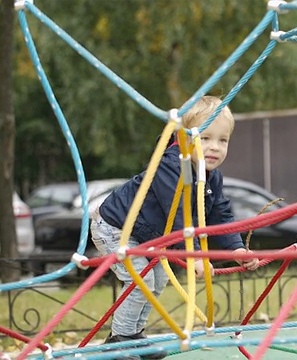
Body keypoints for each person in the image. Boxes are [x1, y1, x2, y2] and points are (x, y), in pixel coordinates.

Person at [90, 95, 259, 360]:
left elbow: (221, 214)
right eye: (205, 138)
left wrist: (236, 248)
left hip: (150, 236)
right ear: (184, 138)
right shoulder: (169, 166)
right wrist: (192, 257)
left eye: (222, 140)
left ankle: (133, 337)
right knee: (141, 280)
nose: (214, 147)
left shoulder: (212, 176)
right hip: (114, 225)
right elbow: (178, 213)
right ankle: (118, 341)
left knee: (158, 280)